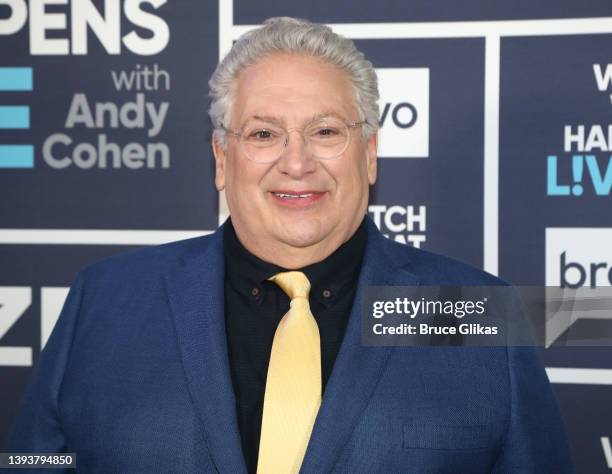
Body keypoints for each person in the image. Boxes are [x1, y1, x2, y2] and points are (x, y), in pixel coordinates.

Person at [7, 17, 573, 473]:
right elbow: (37, 459)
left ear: (369, 153)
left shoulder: (474, 313)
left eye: (326, 132)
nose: (296, 163)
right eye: (263, 134)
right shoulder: (105, 299)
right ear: (222, 158)